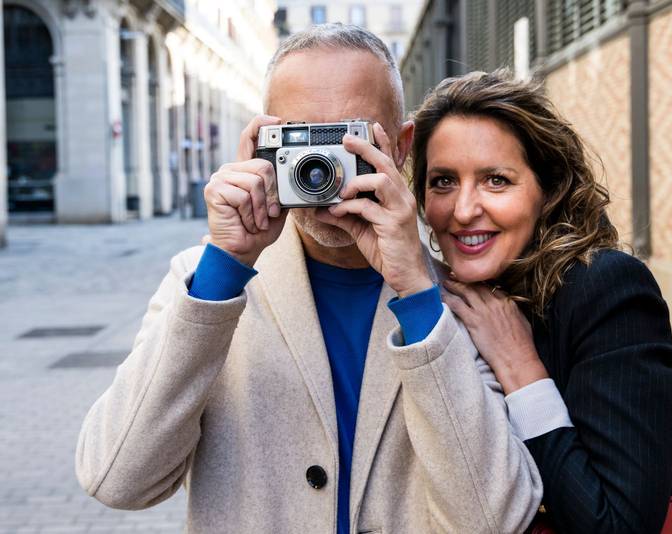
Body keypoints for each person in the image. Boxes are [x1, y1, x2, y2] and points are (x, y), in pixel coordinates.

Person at [75, 26, 542, 534]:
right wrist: (224, 268)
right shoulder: (203, 283)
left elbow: (495, 520)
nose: (320, 167)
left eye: (348, 138)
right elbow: (117, 480)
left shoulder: (459, 299)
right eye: (298, 138)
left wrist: (417, 295)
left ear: (403, 146)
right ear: (261, 143)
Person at [410, 69, 672, 533]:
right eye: (443, 182)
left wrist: (521, 370)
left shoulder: (607, 290)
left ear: (549, 189)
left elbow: (616, 525)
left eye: (496, 180)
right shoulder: (432, 303)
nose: (462, 209)